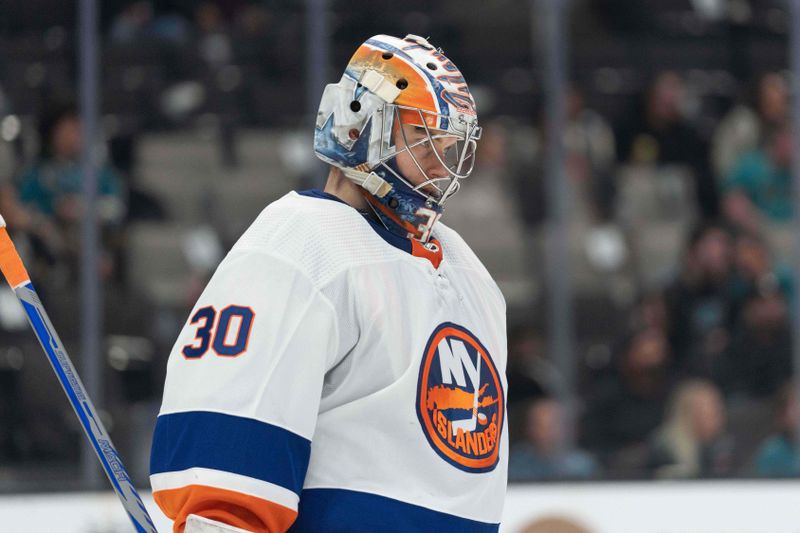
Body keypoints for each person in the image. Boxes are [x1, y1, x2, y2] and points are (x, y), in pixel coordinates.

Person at [149, 34, 507, 533]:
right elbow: (229, 467)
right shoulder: (298, 244)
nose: (439, 162)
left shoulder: (472, 274)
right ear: (359, 123)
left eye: (449, 146)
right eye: (424, 138)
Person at [647, 380, 734, 479]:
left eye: (718, 409)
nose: (719, 417)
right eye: (709, 410)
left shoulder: (723, 446)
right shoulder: (663, 449)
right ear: (688, 413)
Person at [508, 397, 598, 481]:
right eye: (541, 425)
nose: (549, 431)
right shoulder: (517, 463)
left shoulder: (582, 465)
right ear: (529, 429)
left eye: (554, 424)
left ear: (568, 428)